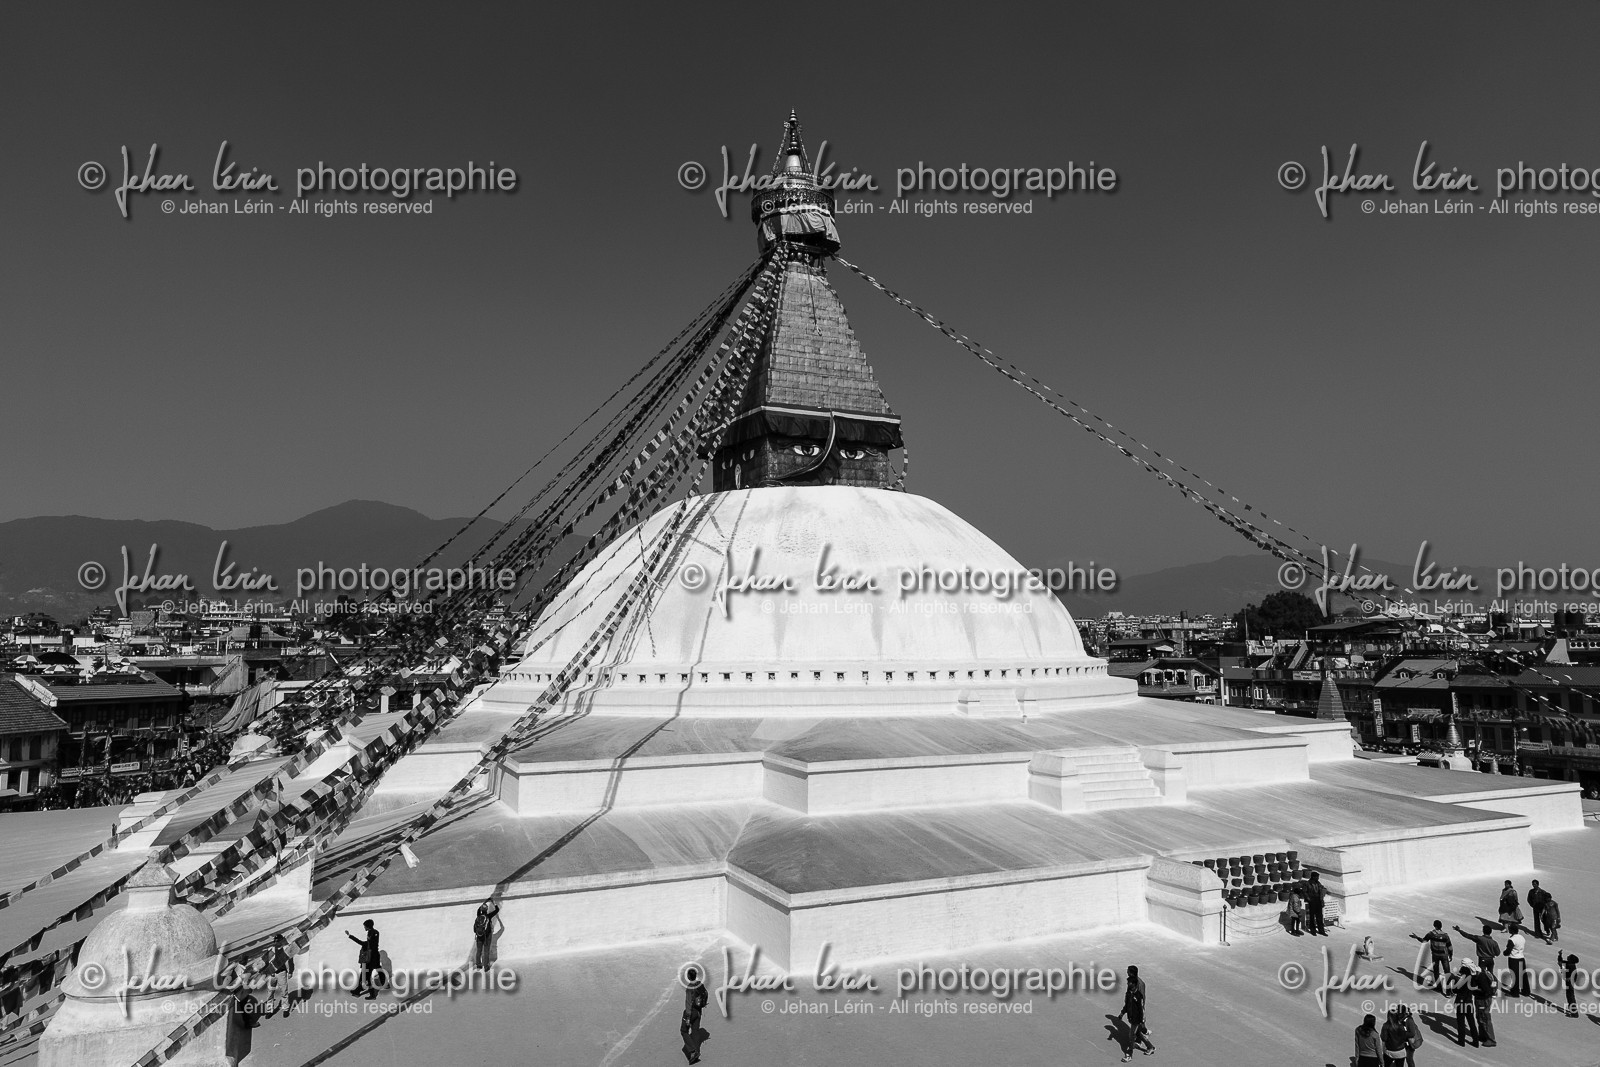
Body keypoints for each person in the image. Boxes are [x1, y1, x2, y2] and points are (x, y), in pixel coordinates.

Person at [1117, 965, 1156, 1060]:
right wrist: (1122, 1013)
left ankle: (1129, 1055)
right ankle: (1150, 1047)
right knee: (1138, 1033)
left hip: (1136, 1018)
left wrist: (1142, 1018)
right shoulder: (1129, 993)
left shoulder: (1138, 994)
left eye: (1128, 983)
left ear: (1133, 984)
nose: (1127, 985)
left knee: (1131, 1036)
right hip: (1131, 1016)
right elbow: (1127, 1005)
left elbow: (1141, 1006)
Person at [1411, 920, 1453, 988]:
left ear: (1434, 926)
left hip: (1435, 955)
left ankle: (1438, 987)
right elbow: (1450, 947)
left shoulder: (1431, 934)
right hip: (1444, 955)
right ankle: (1448, 991)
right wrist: (1450, 955)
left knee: (1436, 971)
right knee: (1447, 972)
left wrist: (1416, 937)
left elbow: (1423, 941)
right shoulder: (1445, 935)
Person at [681, 965, 709, 1064]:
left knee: (684, 1031)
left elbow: (688, 1003)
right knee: (695, 1031)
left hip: (691, 1012)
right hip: (698, 1011)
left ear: (688, 976)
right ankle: (696, 1051)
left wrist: (688, 1017)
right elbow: (705, 995)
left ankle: (693, 1051)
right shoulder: (700, 984)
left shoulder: (690, 988)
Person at [346, 919, 380, 999]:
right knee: (366, 977)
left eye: (365, 926)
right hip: (371, 960)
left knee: (364, 977)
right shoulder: (376, 934)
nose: (364, 927)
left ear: (367, 927)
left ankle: (363, 992)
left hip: (367, 961)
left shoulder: (370, 940)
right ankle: (360, 991)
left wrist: (350, 936)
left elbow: (362, 942)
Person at [1449, 963, 1480, 1046]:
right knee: (1472, 1023)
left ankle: (1461, 1041)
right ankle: (1476, 1041)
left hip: (1461, 1003)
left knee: (1461, 1023)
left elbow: (1454, 991)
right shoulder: (1472, 981)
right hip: (1469, 1003)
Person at [1470, 963, 1498, 1046]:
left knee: (1485, 1018)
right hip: (1481, 999)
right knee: (1479, 1016)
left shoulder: (1481, 978)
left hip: (1483, 1000)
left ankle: (1491, 1039)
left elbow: (1486, 991)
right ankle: (1483, 1035)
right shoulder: (1483, 973)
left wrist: (1474, 990)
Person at [471, 896, 501, 969]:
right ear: (487, 909)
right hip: (487, 936)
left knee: (479, 951)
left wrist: (485, 901)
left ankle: (478, 965)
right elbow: (497, 910)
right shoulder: (488, 916)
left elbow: (478, 909)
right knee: (486, 951)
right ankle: (486, 967)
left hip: (479, 936)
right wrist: (493, 902)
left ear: (481, 909)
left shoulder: (478, 914)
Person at [1504, 923, 1528, 998]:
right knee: (1523, 975)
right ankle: (1526, 991)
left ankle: (1515, 992)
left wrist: (1505, 953)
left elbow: (1508, 951)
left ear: (1512, 930)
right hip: (1521, 957)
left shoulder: (1512, 939)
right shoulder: (1521, 937)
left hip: (1513, 959)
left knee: (1514, 976)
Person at [1304, 871, 1328, 937]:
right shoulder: (1307, 883)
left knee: (1319, 916)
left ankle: (1321, 930)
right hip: (1312, 900)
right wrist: (1309, 899)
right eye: (1317, 877)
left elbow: (1322, 889)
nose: (1318, 878)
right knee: (1312, 917)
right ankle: (1313, 930)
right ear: (1313, 877)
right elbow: (1305, 892)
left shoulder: (1318, 883)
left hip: (1318, 900)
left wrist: (1322, 896)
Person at [1557, 951, 1580, 1016]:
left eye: (1569, 957)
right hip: (1569, 982)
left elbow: (1573, 975)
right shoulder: (1569, 963)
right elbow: (1560, 962)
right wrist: (1560, 955)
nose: (1568, 956)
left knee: (1570, 997)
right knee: (1570, 996)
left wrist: (1569, 979)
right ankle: (1573, 1011)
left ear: (1570, 960)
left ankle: (1574, 1013)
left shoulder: (1571, 965)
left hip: (1570, 983)